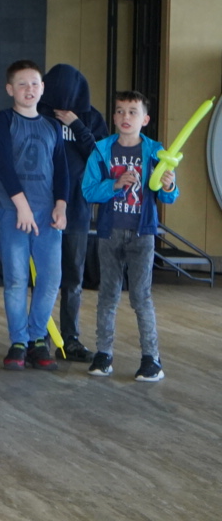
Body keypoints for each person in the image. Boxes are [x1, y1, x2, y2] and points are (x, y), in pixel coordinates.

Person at [81, 91, 178, 382]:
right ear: (113, 116)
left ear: (145, 119)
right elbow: (88, 190)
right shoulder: (101, 151)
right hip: (109, 232)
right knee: (107, 296)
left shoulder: (157, 152)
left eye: (133, 112)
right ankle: (103, 354)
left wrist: (169, 186)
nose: (126, 117)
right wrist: (113, 184)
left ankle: (151, 359)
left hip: (142, 233)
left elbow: (168, 196)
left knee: (141, 297)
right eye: (120, 111)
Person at [0, 59, 70, 371]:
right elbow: (4, 166)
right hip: (13, 211)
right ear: (10, 89)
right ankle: (18, 341)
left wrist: (61, 204)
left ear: (42, 88)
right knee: (17, 278)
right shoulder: (3, 120)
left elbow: (61, 169)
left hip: (46, 212)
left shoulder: (52, 126)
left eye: (34, 83)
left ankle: (37, 338)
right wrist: (21, 205)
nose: (29, 89)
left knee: (50, 278)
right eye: (22, 84)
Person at [40, 63, 109, 363]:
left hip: (78, 210)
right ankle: (39, 336)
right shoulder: (40, 113)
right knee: (44, 279)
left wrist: (77, 125)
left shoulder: (92, 118)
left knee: (73, 280)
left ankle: (70, 340)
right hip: (43, 208)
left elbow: (101, 161)